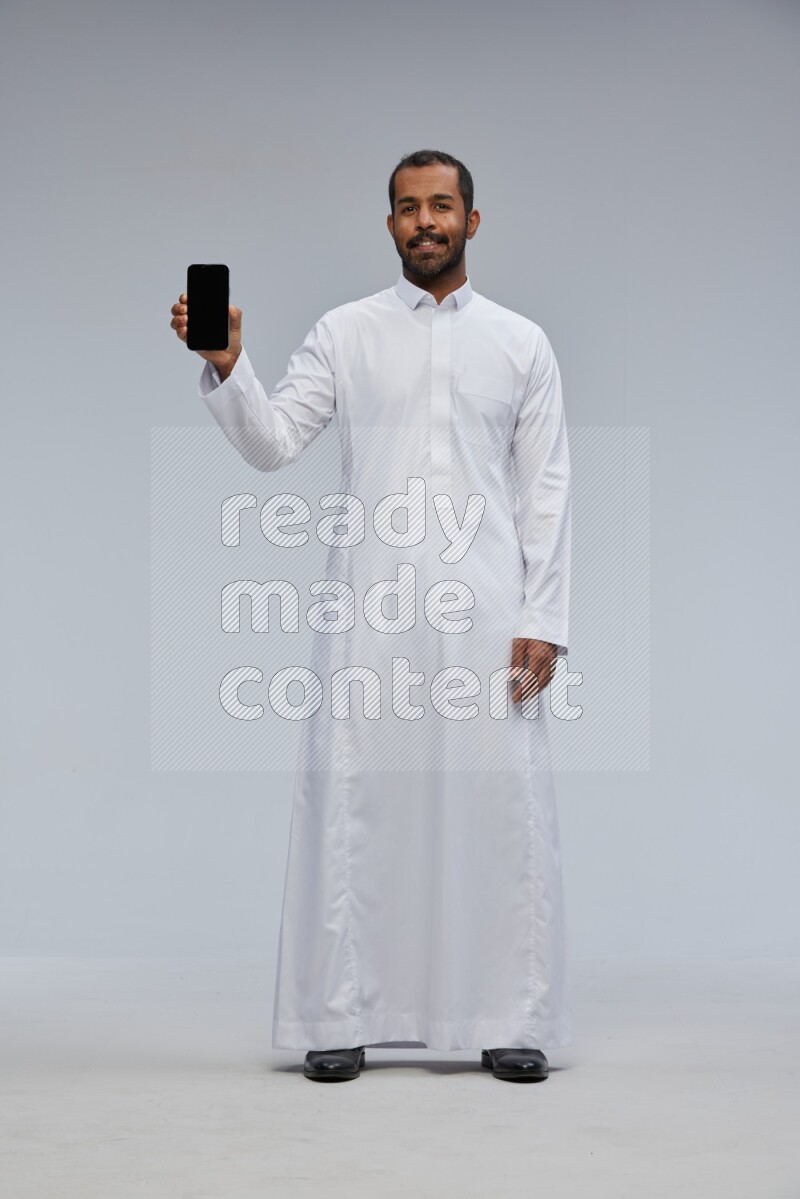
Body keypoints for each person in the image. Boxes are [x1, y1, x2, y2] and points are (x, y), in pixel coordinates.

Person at [169, 149, 573, 1083]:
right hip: (372, 608)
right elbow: (272, 444)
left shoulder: (522, 343)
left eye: (441, 206)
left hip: (487, 609)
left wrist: (543, 616)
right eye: (406, 208)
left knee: (498, 803)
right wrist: (229, 365)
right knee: (360, 801)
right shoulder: (346, 333)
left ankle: (508, 1016)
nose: (423, 221)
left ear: (473, 220)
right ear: (388, 225)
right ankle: (341, 1013)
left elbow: (544, 489)